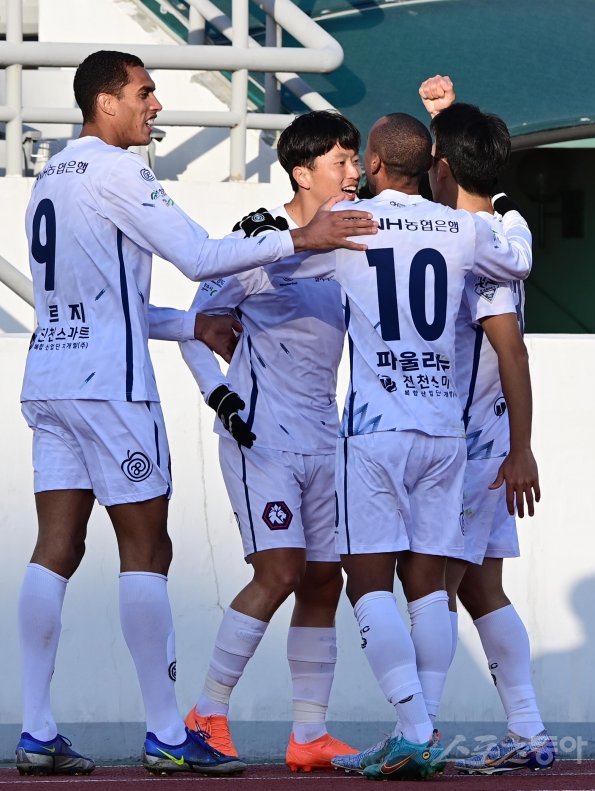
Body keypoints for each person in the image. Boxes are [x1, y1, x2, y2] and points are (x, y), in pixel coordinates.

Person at [15, 49, 377, 777]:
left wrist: (192, 326)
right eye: (144, 93)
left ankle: (35, 728)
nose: (155, 105)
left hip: (50, 377)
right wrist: (300, 237)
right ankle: (167, 731)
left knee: (56, 546)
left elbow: (110, 303)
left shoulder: (50, 178)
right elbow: (200, 256)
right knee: (147, 550)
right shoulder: (119, 170)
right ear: (105, 102)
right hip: (111, 389)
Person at [306, 111, 534, 781]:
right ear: (429, 164)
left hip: (377, 428)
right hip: (446, 431)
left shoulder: (349, 222)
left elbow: (279, 264)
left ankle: (413, 729)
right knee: (430, 587)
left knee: (366, 579)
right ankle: (431, 727)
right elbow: (515, 261)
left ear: (375, 163)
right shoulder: (464, 229)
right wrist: (511, 213)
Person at [149, 110, 362, 772]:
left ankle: (309, 734)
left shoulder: (358, 242)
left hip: (325, 438)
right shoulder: (261, 238)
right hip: (261, 439)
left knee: (324, 578)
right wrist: (218, 395)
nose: (354, 172)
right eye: (340, 162)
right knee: (279, 570)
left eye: (356, 159)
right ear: (302, 173)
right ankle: (206, 713)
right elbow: (196, 323)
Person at [418, 74, 555, 775]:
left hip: (472, 445)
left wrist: (521, 449)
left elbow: (511, 349)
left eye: (431, 161)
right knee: (479, 586)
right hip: (490, 438)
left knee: (437, 582)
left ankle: (421, 732)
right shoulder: (509, 225)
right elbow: (471, 186)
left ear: (442, 167)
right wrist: (447, 118)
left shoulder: (468, 243)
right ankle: (527, 729)